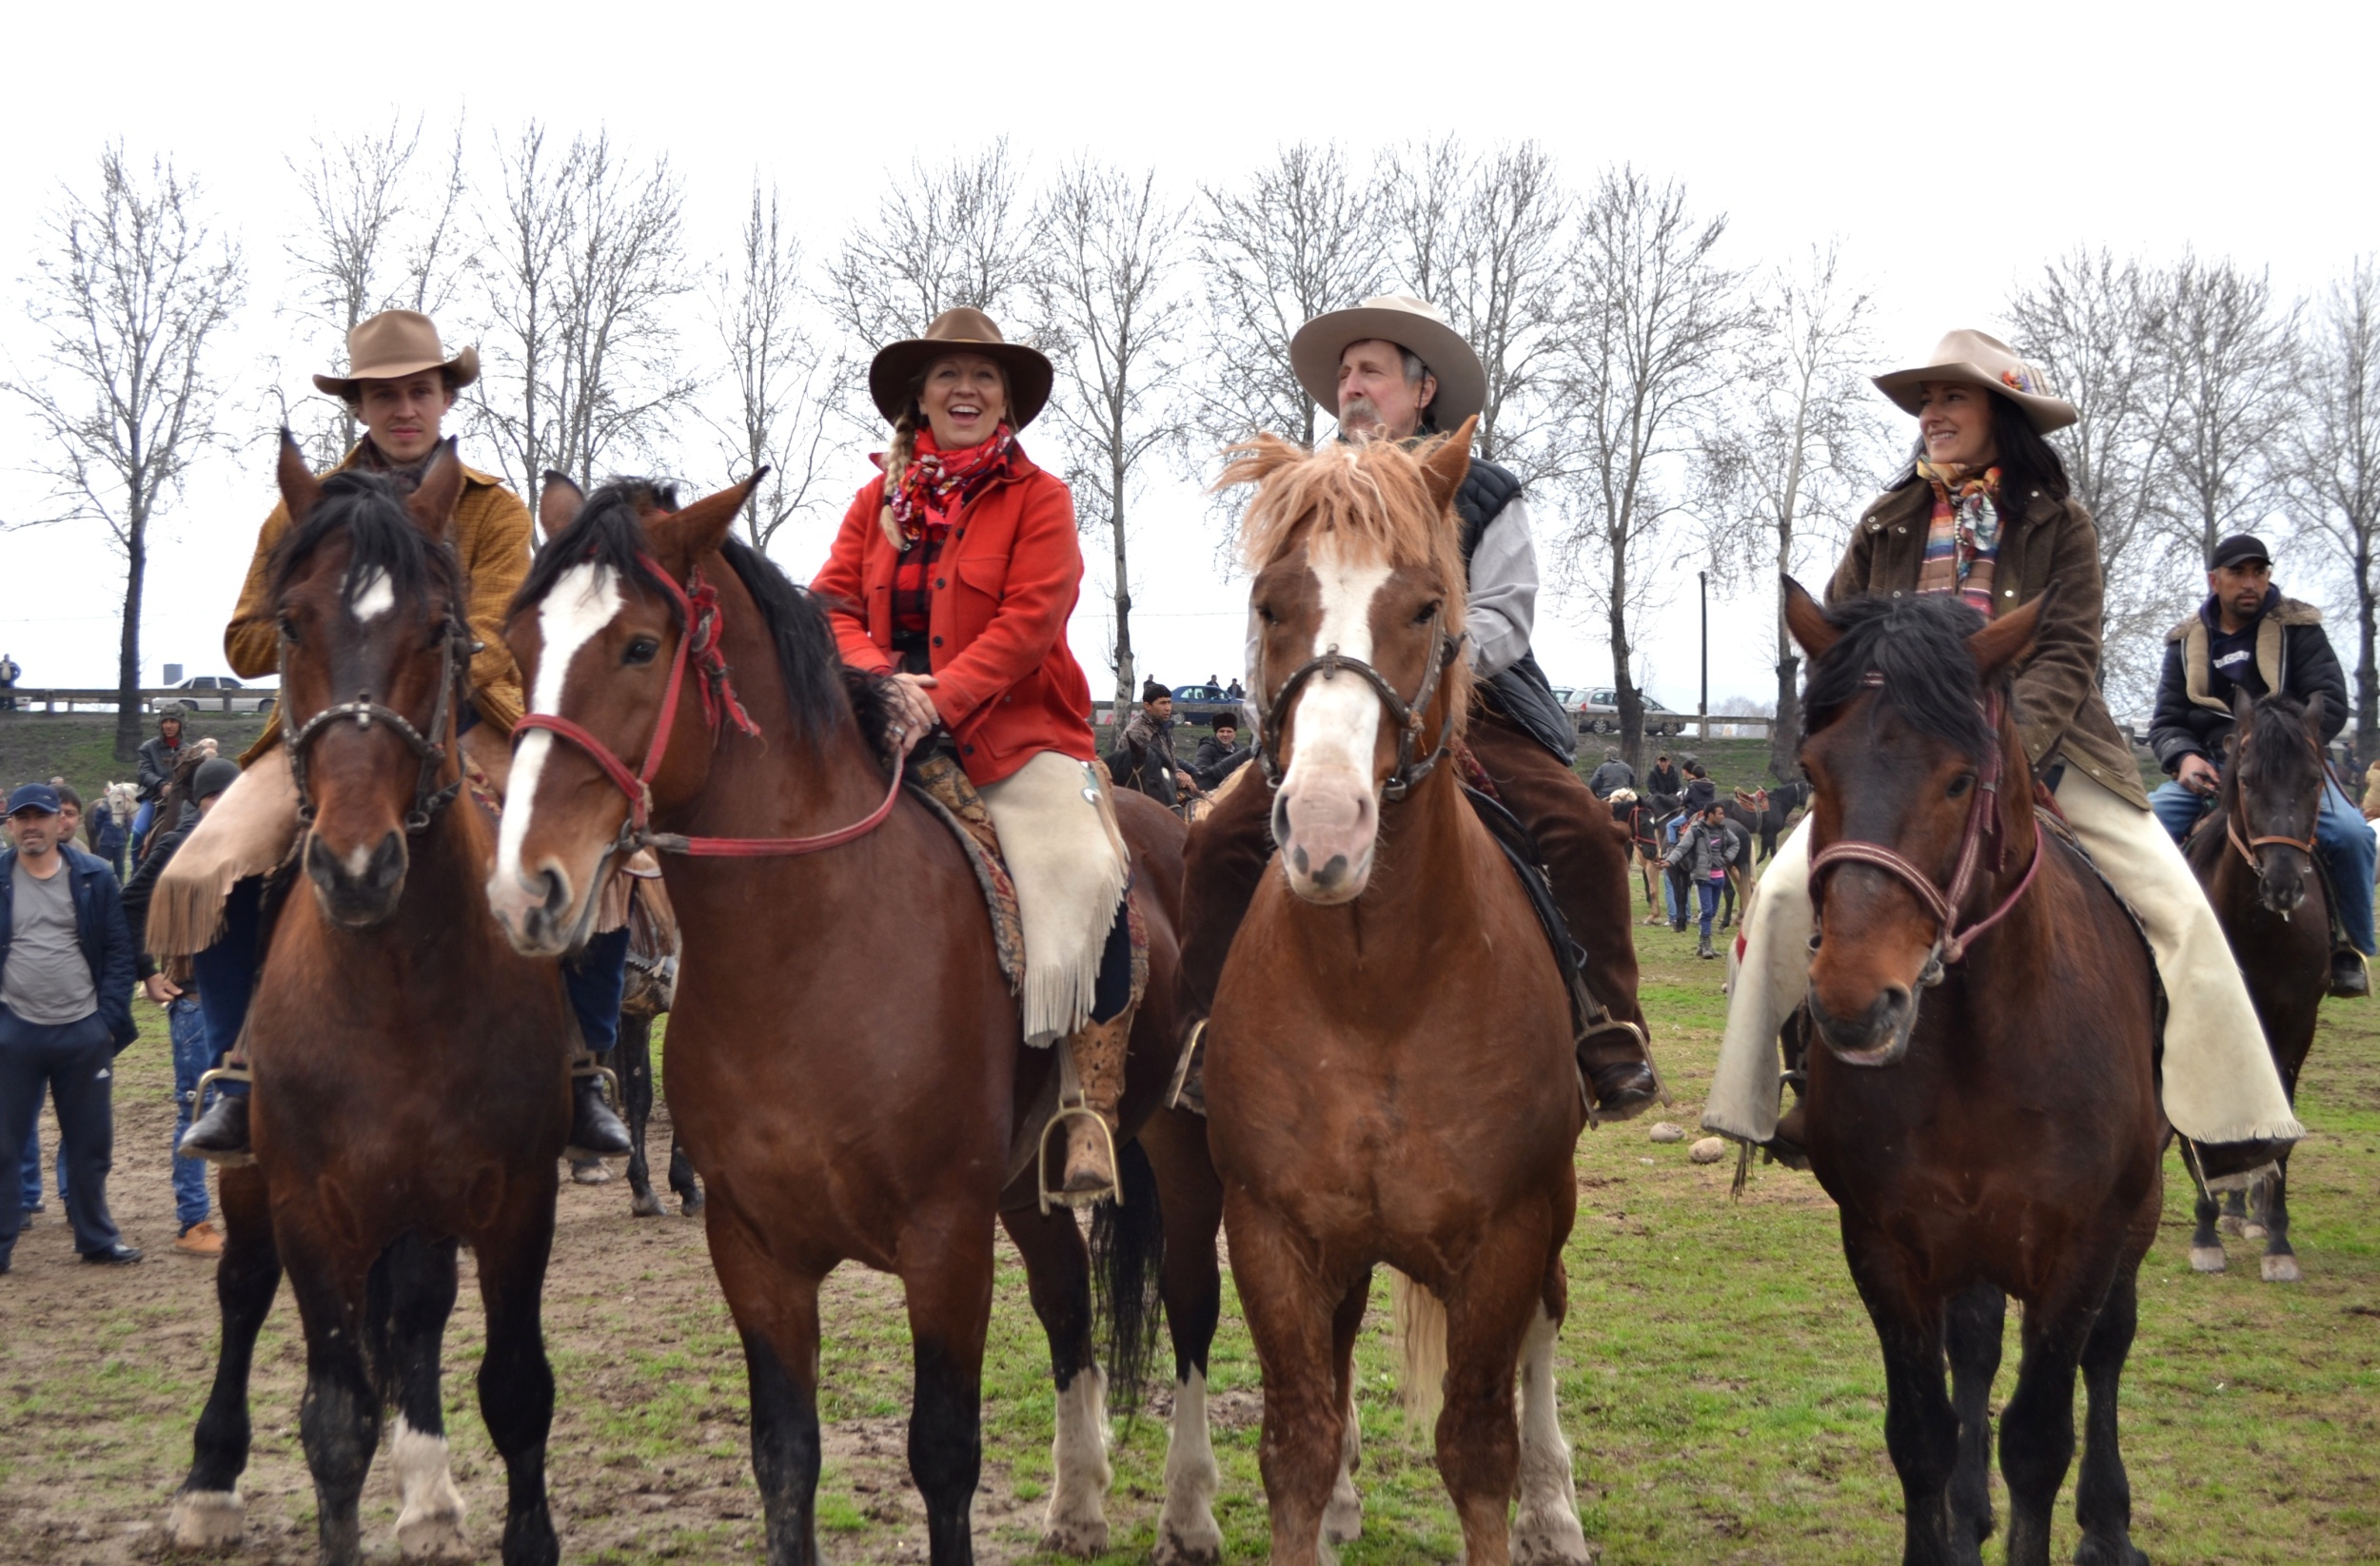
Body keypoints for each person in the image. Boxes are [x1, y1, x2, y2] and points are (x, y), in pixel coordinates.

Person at [1704, 328, 2302, 1173]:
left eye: (1952, 397)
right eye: (1926, 401)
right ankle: (1767, 1102)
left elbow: (2065, 650)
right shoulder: (1887, 521)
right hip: (1904, 765)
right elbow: (1840, 639)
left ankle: (2223, 1121)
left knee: (2179, 908)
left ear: (2001, 413)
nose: (1932, 414)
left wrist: (2005, 748)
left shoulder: (2062, 524)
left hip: (2046, 751)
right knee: (1774, 901)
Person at [162, 309, 632, 1165]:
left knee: (605, 864)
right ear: (359, 405)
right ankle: (236, 1074)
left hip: (462, 716)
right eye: (384, 394)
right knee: (206, 869)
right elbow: (244, 640)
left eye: (420, 390)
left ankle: (581, 1068)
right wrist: (327, 634)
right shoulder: (301, 507)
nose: (404, 408)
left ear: (447, 396)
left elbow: (494, 624)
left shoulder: (491, 507)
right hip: (324, 730)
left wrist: (417, 646)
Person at [1183, 294, 1659, 1117]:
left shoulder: (1483, 488)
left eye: (1370, 370)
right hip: (1328, 708)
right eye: (1343, 374)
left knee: (1579, 829)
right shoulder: (1303, 487)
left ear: (1422, 388)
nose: (1351, 387)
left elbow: (1508, 611)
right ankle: (1201, 1032)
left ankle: (1606, 1023)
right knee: (1220, 841)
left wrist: (1433, 671)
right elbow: (1274, 615)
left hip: (1471, 702)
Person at [810, 306, 1139, 1203]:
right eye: (948, 374)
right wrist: (887, 689)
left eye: (984, 376)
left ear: (1008, 403)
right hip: (878, 724)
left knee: (1085, 871)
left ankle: (1085, 1109)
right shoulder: (870, 503)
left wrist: (939, 697)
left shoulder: (1043, 500)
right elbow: (832, 604)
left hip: (1014, 734)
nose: (966, 388)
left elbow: (1030, 622)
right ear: (918, 396)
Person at [2146, 534, 2371, 995]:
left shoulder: (2300, 630)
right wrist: (2183, 757)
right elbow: (2167, 720)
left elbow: (2327, 700)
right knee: (2140, 830)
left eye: (2259, 572)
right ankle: (2138, 945)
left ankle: (2349, 948)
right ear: (2215, 581)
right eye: (2238, 573)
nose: (2250, 583)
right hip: (2208, 766)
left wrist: (2277, 742)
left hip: (2287, 765)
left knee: (2351, 834)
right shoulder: (2185, 643)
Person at [0, 784, 140, 1268]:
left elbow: (120, 952)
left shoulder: (94, 875)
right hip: (14, 1030)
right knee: (3, 1144)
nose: (32, 825)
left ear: (60, 822)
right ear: (10, 823)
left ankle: (96, 1240)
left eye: (41, 816)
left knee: (90, 1144)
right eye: (23, 818)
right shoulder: (0, 876)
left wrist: (106, 1022)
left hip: (83, 1029)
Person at [119, 756, 240, 1257]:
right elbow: (128, 905)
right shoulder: (176, 844)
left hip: (246, 1001)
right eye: (213, 797)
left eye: (228, 797)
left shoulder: (254, 845)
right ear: (198, 801)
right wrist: (148, 969)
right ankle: (193, 1221)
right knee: (195, 1106)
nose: (221, 806)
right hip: (191, 997)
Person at [1666, 801, 1742, 959]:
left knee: (1712, 912)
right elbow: (1681, 848)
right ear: (1710, 815)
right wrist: (1670, 861)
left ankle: (1702, 945)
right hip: (1703, 877)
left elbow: (1736, 843)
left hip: (1719, 878)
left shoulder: (1724, 831)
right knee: (1707, 911)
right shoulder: (1696, 831)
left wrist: (1726, 858)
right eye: (1720, 813)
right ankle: (1706, 945)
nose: (1723, 816)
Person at [1110, 681, 1191, 808]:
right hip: (1143, 795)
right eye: (1162, 703)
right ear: (1147, 706)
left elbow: (1170, 762)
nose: (1168, 708)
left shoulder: (1165, 727)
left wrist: (1180, 772)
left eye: (1169, 702)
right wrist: (1175, 777)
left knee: (1197, 797)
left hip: (1164, 786)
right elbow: (1145, 774)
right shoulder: (1136, 733)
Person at [131, 709, 186, 859]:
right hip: (153, 799)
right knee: (138, 831)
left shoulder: (188, 750)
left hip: (181, 800)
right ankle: (136, 869)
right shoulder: (148, 748)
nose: (168, 725)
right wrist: (161, 785)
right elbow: (144, 773)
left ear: (181, 724)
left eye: (173, 721)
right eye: (165, 722)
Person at [1189, 718, 1252, 793]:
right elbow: (1200, 770)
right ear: (1216, 733)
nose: (1225, 735)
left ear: (1235, 734)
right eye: (1222, 731)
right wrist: (1224, 768)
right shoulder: (1206, 748)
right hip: (1210, 789)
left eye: (1229, 732)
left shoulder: (1238, 750)